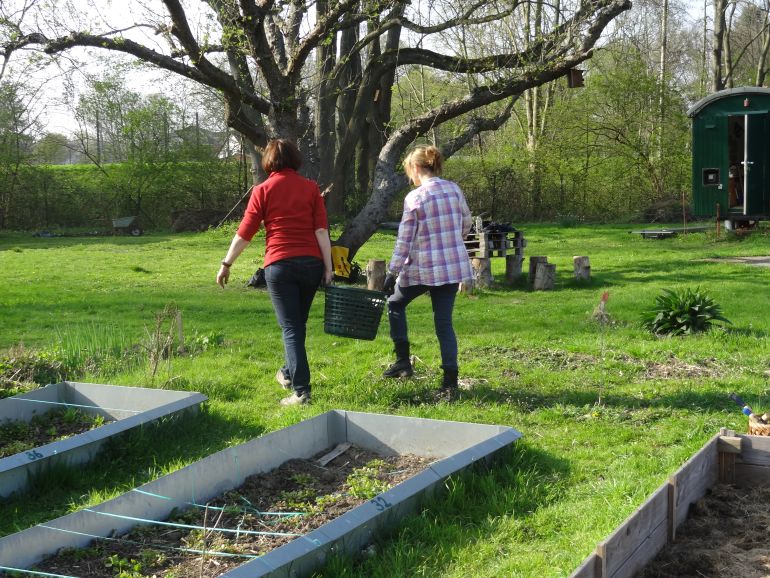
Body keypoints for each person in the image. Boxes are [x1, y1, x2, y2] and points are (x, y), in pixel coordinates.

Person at [216, 139, 333, 406]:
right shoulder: (310, 188)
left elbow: (245, 233)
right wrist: (328, 267)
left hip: (280, 265)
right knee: (297, 325)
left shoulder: (263, 189)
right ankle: (290, 373)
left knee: (291, 327)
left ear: (268, 162)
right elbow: (321, 231)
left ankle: (301, 392)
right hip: (311, 265)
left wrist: (226, 264)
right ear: (295, 159)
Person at [382, 145, 473, 401]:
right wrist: (452, 242)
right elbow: (466, 222)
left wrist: (392, 273)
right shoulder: (454, 189)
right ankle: (450, 382)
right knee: (444, 324)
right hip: (452, 267)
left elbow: (404, 240)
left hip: (422, 269)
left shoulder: (416, 197)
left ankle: (403, 362)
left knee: (395, 304)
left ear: (416, 167)